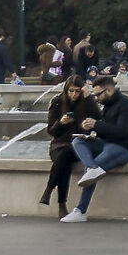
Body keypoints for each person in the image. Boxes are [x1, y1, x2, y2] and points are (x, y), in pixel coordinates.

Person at [65, 77, 128, 220]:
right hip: (107, 144)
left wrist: (96, 124)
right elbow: (106, 130)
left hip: (125, 148)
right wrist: (89, 130)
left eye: (97, 94)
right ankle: (91, 167)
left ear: (108, 90)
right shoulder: (108, 105)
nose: (95, 98)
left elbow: (122, 132)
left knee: (95, 167)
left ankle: (81, 211)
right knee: (78, 141)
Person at [40, 79, 96, 215]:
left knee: (65, 156)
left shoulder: (86, 102)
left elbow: (98, 117)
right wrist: (61, 123)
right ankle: (61, 205)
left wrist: (88, 98)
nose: (74, 94)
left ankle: (49, 191)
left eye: (78, 91)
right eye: (71, 91)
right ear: (66, 90)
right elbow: (51, 131)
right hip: (59, 145)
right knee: (64, 161)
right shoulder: (58, 102)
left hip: (79, 145)